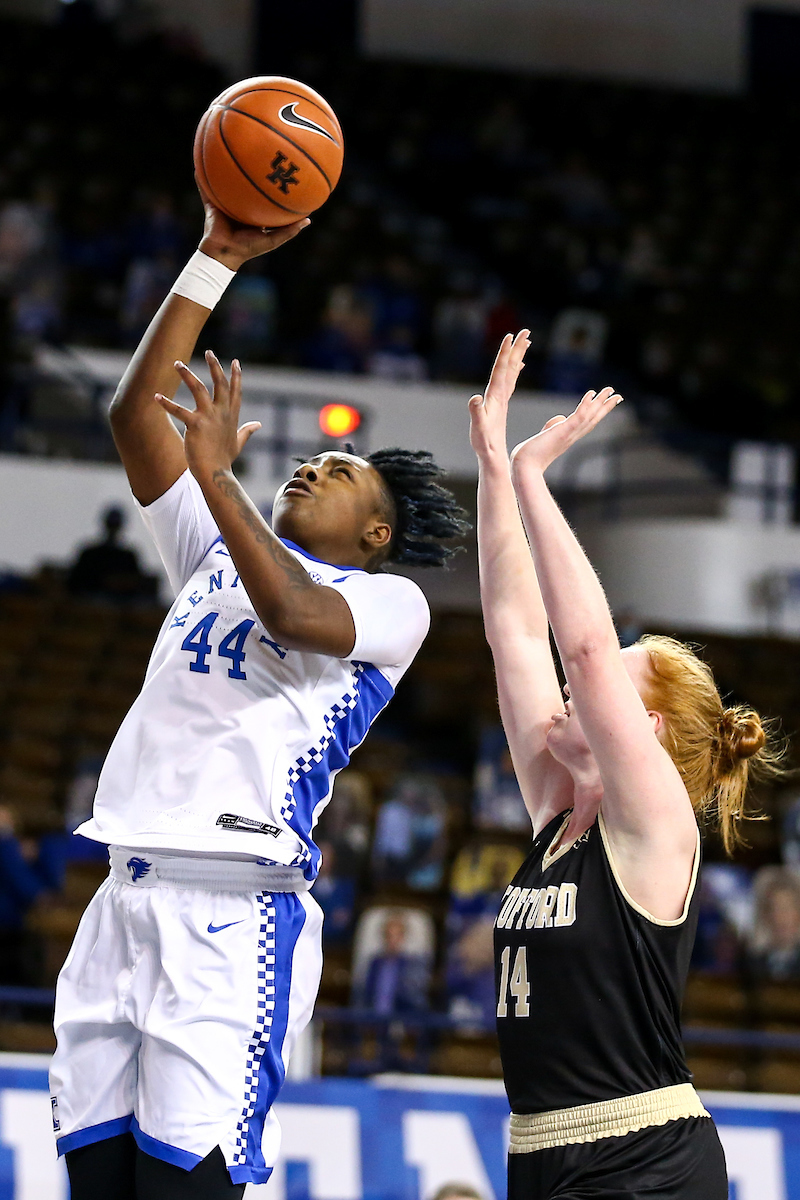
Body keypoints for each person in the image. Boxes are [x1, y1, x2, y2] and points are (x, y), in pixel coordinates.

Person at [50, 192, 468, 1200]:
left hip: (232, 920)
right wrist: (212, 259)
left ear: (375, 534)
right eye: (317, 458)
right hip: (123, 899)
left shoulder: (389, 605)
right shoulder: (214, 548)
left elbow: (293, 616)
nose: (317, 464)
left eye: (344, 474)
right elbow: (131, 417)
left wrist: (221, 483)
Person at [470, 332, 783, 1200]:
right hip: (538, 1153)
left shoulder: (655, 824)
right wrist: (496, 468)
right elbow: (515, 634)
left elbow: (581, 647)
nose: (571, 694)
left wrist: (538, 483)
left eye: (604, 681)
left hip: (644, 1158)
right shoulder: (556, 817)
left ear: (639, 728)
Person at [747, 866, 800, 981]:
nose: (782, 918)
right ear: (766, 915)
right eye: (775, 909)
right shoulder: (751, 963)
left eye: (787, 908)